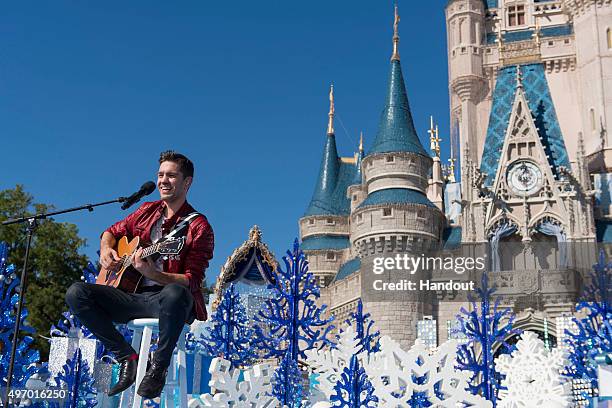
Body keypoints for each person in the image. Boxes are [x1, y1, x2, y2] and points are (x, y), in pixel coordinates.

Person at [65, 151, 214, 399]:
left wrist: (153, 273)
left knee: (176, 292)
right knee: (76, 293)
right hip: (132, 298)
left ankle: (158, 368)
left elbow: (192, 281)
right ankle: (126, 357)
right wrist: (106, 250)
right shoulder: (146, 210)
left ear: (187, 182)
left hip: (168, 303)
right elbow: (111, 231)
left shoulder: (199, 226)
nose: (163, 180)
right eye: (160, 175)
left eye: (171, 176)